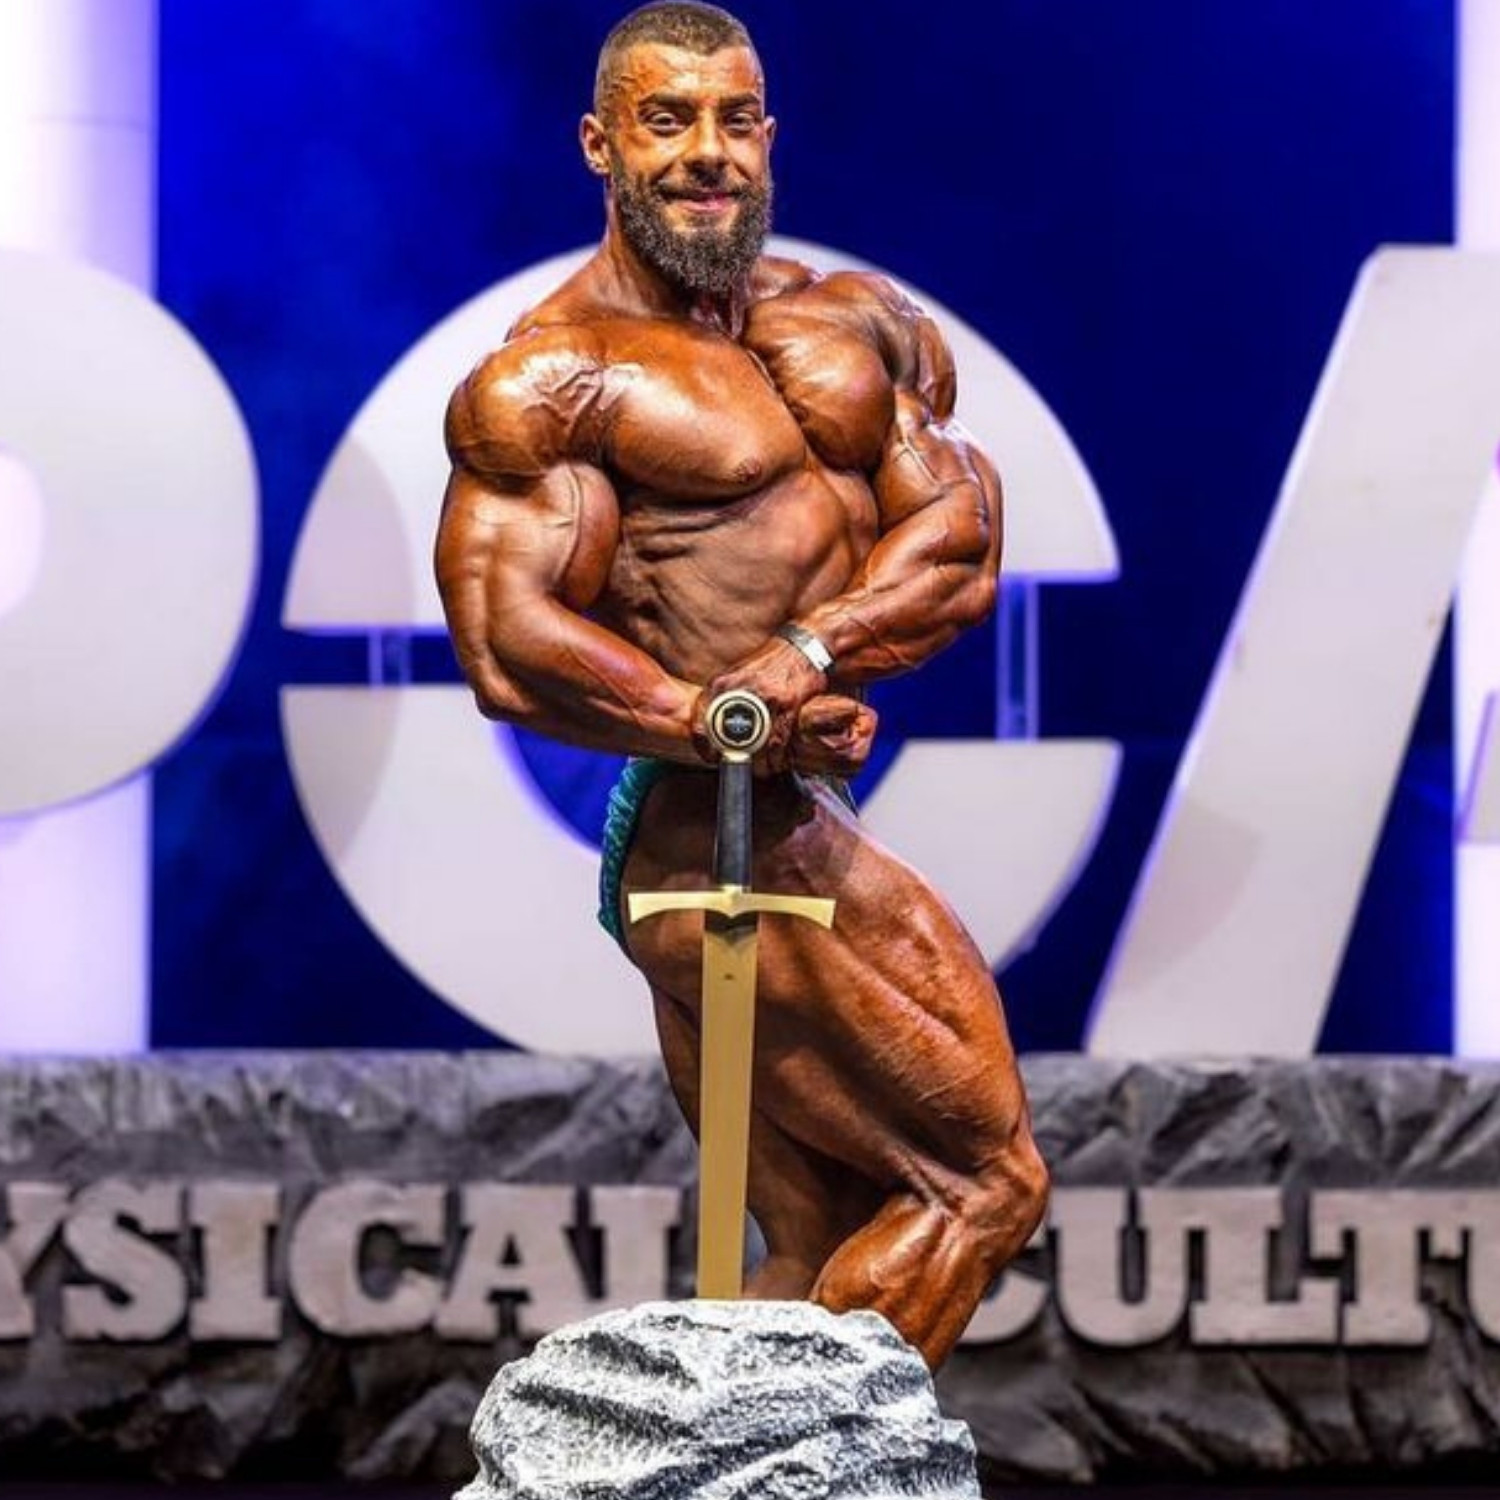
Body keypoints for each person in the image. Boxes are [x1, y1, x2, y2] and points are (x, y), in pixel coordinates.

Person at [435, 0, 1047, 1370]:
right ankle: (785, 1452)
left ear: (769, 136)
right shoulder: (556, 371)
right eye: (666, 121)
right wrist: (722, 719)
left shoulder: (849, 321)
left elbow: (958, 544)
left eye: (734, 120)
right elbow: (506, 639)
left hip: (788, 815)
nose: (707, 151)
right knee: (984, 1181)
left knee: (823, 1229)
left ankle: (699, 1445)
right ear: (600, 145)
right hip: (714, 837)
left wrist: (806, 656)